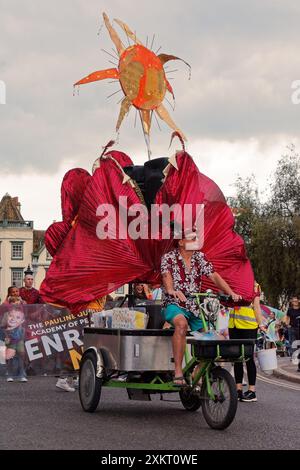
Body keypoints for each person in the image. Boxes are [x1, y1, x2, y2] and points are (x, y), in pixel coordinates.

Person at [161, 231, 241, 386]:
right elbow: (166, 276)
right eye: (192, 238)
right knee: (181, 325)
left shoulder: (200, 257)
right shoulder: (168, 258)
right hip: (174, 303)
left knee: (212, 338)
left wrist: (231, 292)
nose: (196, 240)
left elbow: (214, 276)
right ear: (181, 242)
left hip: (195, 306)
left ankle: (197, 371)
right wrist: (171, 290)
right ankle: (178, 371)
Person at [228, 281, 266, 402]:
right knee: (237, 357)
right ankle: (238, 389)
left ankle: (252, 391)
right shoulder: (233, 283)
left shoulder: (254, 286)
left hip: (248, 326)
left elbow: (256, 306)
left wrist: (261, 324)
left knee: (248, 357)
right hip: (233, 325)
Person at [0, 306, 27, 382]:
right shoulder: (4, 329)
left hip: (18, 344)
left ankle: (21, 373)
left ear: (22, 321)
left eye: (18, 317)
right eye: (11, 316)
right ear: (7, 316)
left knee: (20, 355)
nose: (13, 319)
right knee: (10, 358)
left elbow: (22, 338)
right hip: (8, 346)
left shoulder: (21, 329)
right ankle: (9, 373)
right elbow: (2, 339)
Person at [286, 295, 300, 372]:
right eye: (293, 301)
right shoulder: (290, 310)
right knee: (294, 346)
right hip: (292, 329)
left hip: (299, 328)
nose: (294, 302)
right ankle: (296, 361)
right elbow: (287, 318)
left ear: (298, 301)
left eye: (296, 300)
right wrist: (288, 325)